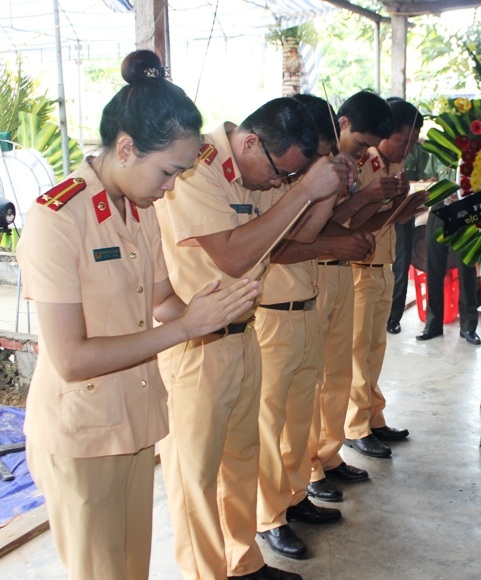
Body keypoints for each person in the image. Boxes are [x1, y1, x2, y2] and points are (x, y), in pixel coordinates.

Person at [16, 50, 259, 580]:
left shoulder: (138, 207)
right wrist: (186, 327)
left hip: (135, 418)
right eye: (168, 172)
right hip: (83, 433)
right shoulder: (57, 218)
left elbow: (161, 302)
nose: (171, 187)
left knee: (132, 569)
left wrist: (213, 312)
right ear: (126, 148)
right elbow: (72, 359)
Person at [155, 97, 349, 579]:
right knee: (196, 476)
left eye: (289, 177)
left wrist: (323, 190)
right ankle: (206, 573)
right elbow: (234, 257)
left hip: (244, 330)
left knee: (241, 462)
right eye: (279, 173)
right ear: (249, 143)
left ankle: (242, 562)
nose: (278, 183)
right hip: (196, 344)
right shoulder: (198, 170)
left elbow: (295, 236)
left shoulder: (256, 172)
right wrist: (303, 190)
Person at [254, 94, 375, 561]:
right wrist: (322, 196)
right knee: (270, 422)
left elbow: (308, 232)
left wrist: (328, 190)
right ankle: (268, 516)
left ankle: (293, 495)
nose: (322, 161)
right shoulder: (272, 179)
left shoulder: (302, 181)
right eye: (320, 154)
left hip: (304, 302)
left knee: (298, 417)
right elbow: (280, 247)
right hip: (273, 310)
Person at [306, 90, 395, 500]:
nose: (363, 153)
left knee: (339, 373)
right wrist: (364, 198)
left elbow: (350, 223)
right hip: (315, 272)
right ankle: (308, 468)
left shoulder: (349, 165)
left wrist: (386, 204)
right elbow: (313, 229)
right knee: (313, 379)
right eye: (360, 143)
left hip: (342, 269)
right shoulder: (313, 165)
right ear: (341, 123)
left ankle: (329, 454)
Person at [344, 97, 425, 459]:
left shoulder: (394, 165)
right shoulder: (364, 163)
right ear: (385, 134)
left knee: (375, 351)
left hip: (382, 267)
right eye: (404, 140)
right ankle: (355, 426)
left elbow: (390, 218)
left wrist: (406, 205)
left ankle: (373, 417)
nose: (408, 149)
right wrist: (386, 203)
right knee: (357, 354)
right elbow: (353, 220)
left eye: (414, 141)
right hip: (359, 270)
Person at [415, 148, 481, 345]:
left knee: (466, 268)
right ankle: (433, 324)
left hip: (466, 208)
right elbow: (431, 175)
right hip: (440, 208)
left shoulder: (477, 147)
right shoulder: (440, 148)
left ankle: (468, 327)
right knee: (434, 268)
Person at [387, 140, 432, 335]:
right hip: (377, 213)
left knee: (400, 265)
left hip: (404, 213)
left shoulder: (417, 149)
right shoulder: (374, 148)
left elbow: (428, 178)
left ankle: (393, 317)